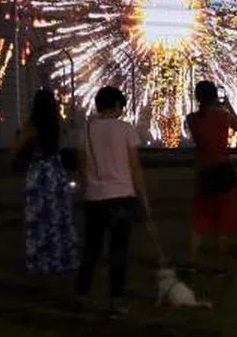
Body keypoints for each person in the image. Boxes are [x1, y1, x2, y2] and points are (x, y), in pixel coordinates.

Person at [73, 87, 150, 319]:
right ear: (116, 105)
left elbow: (82, 166)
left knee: (91, 250)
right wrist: (143, 198)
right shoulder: (125, 129)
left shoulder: (86, 130)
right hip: (122, 196)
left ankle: (81, 296)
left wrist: (86, 191)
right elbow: (135, 167)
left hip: (95, 197)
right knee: (118, 251)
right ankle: (116, 301)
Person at [12, 89, 79, 276]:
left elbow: (14, 149)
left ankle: (41, 261)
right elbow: (64, 143)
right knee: (59, 214)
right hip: (56, 169)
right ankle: (63, 258)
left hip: (39, 170)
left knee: (39, 215)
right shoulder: (57, 123)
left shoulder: (31, 126)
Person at [184, 80, 237, 276]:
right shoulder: (223, 116)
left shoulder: (192, 119)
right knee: (223, 220)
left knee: (199, 218)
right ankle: (221, 266)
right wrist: (227, 105)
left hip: (204, 171)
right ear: (214, 96)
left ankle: (192, 263)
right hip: (223, 170)